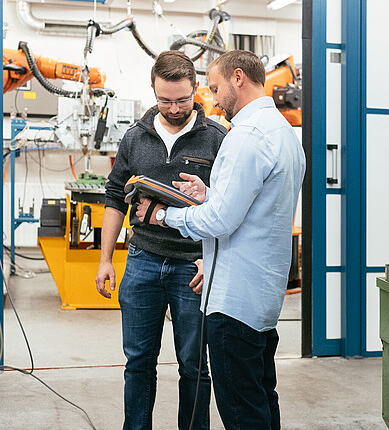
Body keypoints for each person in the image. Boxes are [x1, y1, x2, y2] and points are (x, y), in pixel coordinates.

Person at [135, 50, 305, 430]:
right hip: (261, 298)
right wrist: (208, 193)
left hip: (234, 300)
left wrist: (163, 215)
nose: (212, 97)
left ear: (238, 78)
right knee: (261, 399)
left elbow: (221, 220)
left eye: (214, 87)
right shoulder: (282, 132)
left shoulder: (246, 136)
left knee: (241, 411)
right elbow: (253, 205)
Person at [96, 50, 227, 430]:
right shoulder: (135, 138)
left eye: (182, 100)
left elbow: (228, 208)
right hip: (143, 260)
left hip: (193, 265)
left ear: (196, 89)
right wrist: (106, 260)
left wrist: (210, 257)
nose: (173, 108)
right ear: (153, 90)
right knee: (138, 362)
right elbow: (114, 198)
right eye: (164, 100)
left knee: (194, 366)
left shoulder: (217, 139)